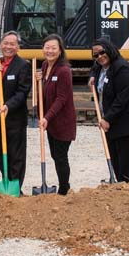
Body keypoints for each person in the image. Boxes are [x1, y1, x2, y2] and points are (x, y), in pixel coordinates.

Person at [89, 38, 129, 183]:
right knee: (113, 154)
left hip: (124, 120)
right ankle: (116, 181)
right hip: (109, 119)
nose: (100, 57)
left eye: (102, 52)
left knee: (124, 157)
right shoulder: (100, 66)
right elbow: (94, 68)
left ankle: (125, 183)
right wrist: (91, 77)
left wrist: (107, 118)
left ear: (109, 50)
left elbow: (122, 99)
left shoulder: (123, 68)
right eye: (96, 55)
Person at [0, 31, 32, 190]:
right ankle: (6, 180)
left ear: (18, 47)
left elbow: (23, 92)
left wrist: (8, 105)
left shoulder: (23, 65)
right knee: (0, 151)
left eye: (12, 44)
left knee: (16, 154)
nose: (8, 47)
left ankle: (16, 187)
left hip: (15, 117)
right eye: (5, 43)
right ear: (0, 45)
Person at [37, 34, 76, 195]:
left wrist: (47, 116)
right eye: (47, 47)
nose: (50, 51)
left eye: (54, 48)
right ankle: (63, 185)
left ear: (60, 50)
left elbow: (61, 98)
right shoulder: (45, 66)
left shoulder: (64, 71)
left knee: (60, 156)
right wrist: (38, 80)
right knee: (55, 155)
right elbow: (44, 93)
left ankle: (64, 189)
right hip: (51, 122)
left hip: (63, 122)